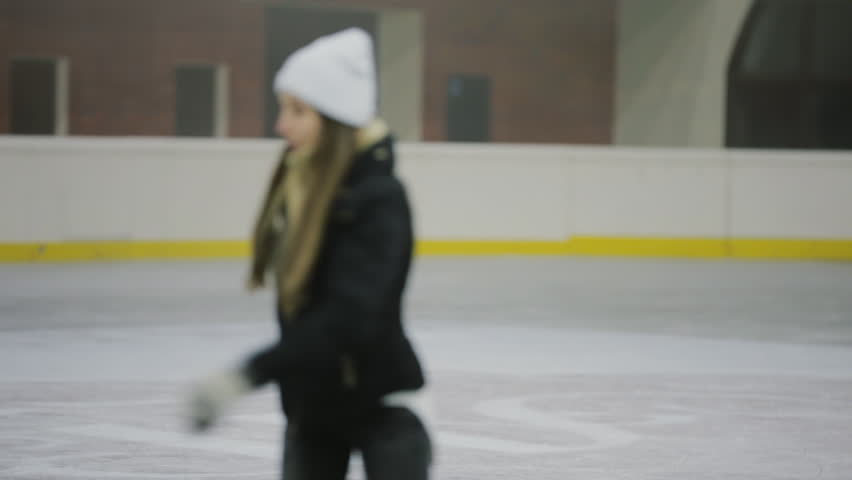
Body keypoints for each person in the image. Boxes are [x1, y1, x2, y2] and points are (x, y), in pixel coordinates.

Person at [186, 27, 432, 480]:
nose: (281, 126)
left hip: (385, 410)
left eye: (298, 110)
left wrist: (247, 375)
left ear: (336, 118)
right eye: (283, 109)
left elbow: (349, 316)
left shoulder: (379, 199)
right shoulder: (300, 192)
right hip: (312, 411)